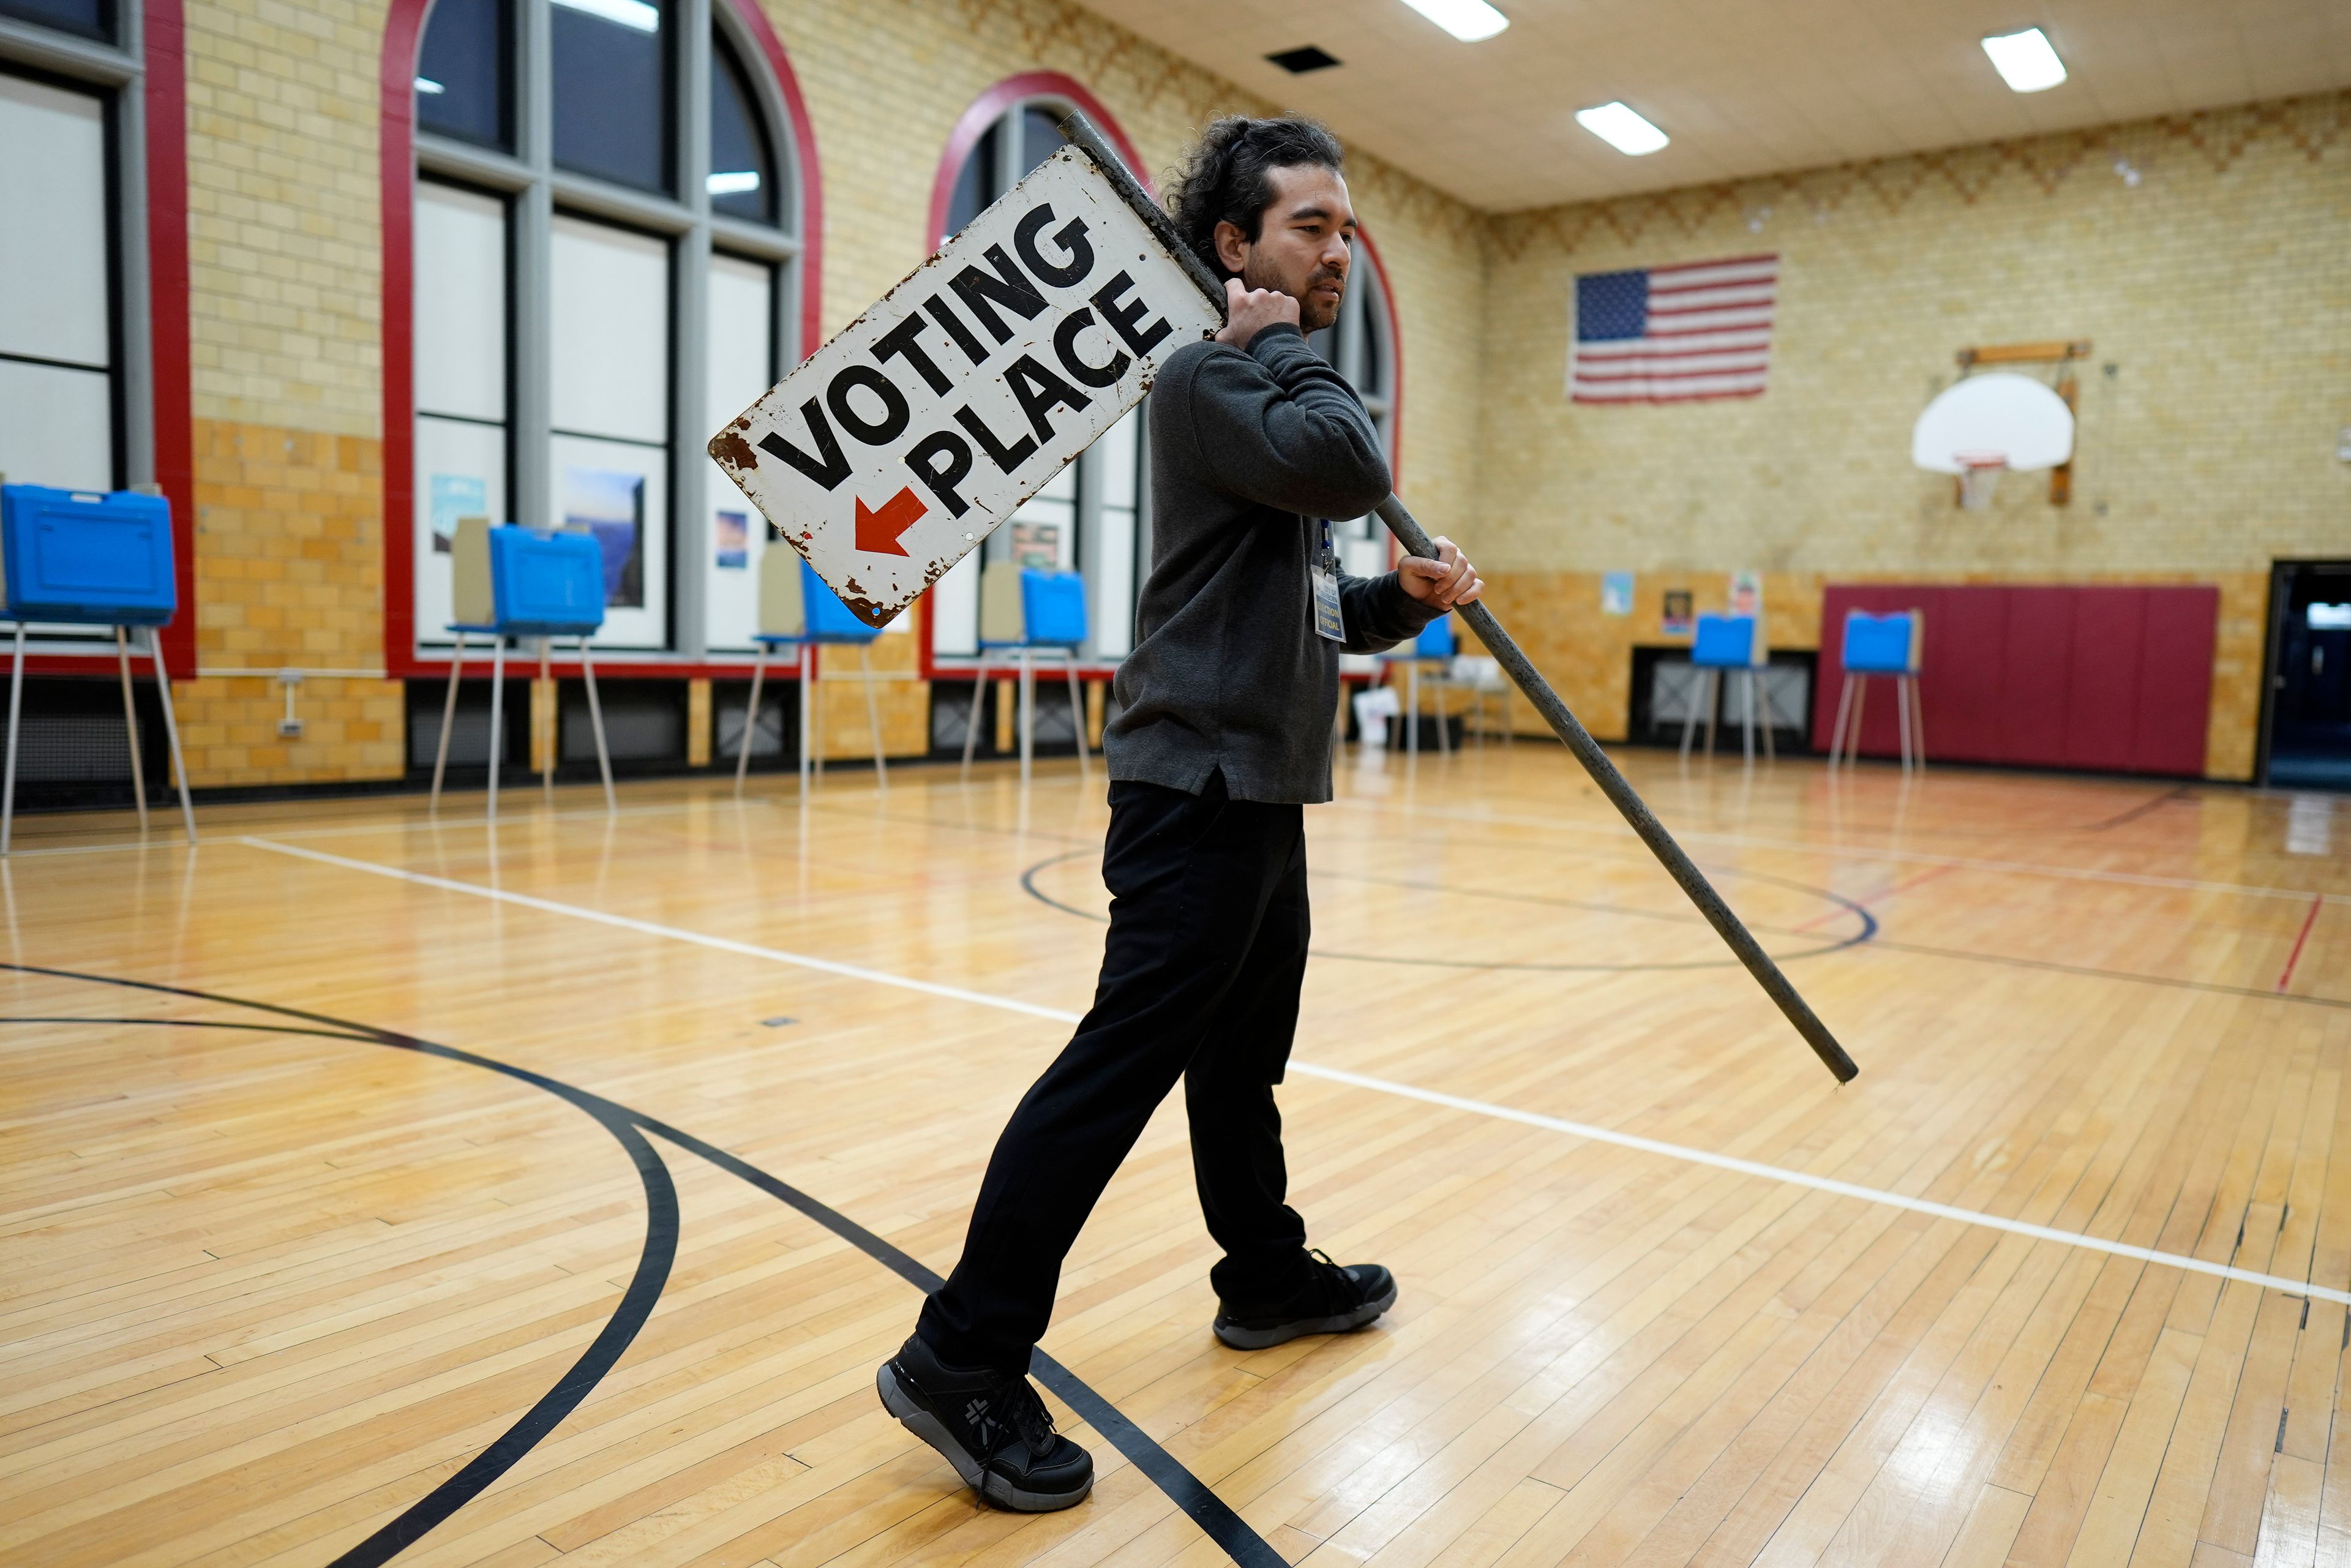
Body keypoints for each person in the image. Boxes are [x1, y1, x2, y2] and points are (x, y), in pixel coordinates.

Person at [876, 113, 1484, 1514]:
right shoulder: (1213, 378)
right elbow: (1346, 458)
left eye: (1346, 228)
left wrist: (1407, 601)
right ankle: (959, 1357)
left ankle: (1262, 1276)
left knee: (1238, 1062)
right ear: (1234, 248)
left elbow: (1310, 602)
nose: (1341, 252)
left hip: (1259, 786)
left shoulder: (1260, 400)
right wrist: (1275, 338)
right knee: (1114, 1072)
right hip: (1195, 787)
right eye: (1310, 229)